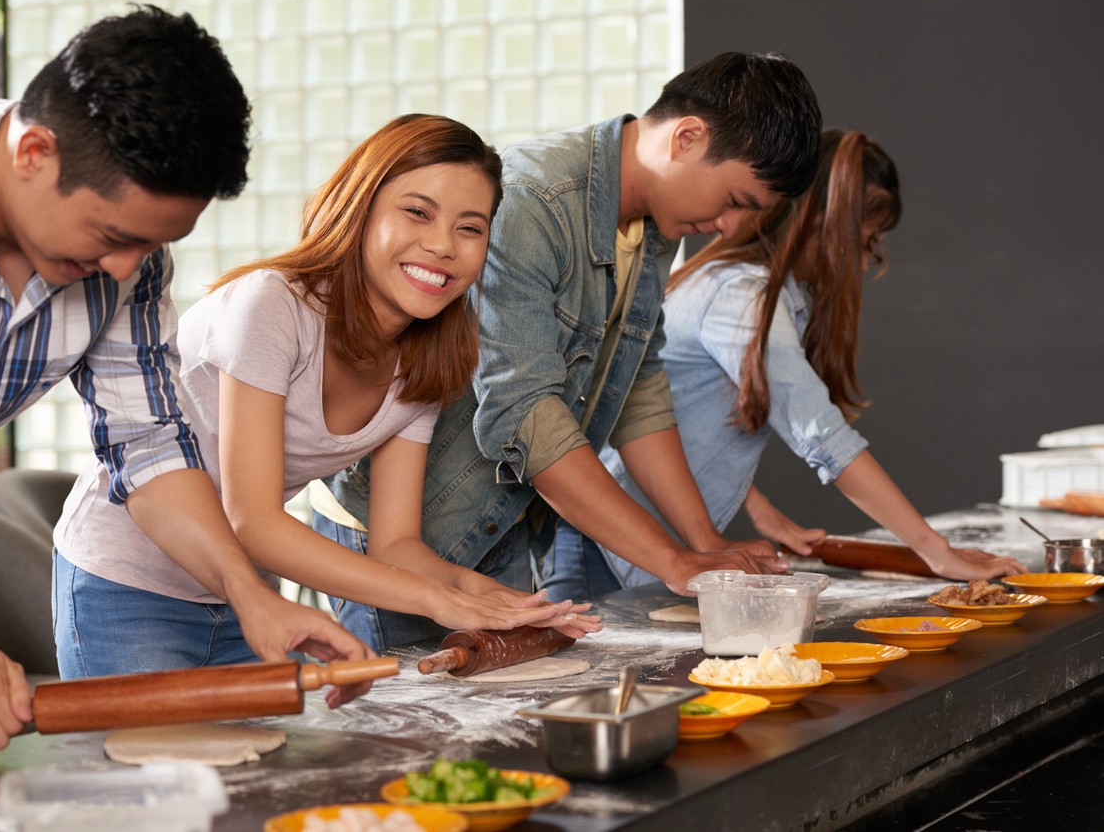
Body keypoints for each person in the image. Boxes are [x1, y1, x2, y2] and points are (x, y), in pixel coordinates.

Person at [0, 6, 370, 775]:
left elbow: (150, 446)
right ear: (35, 151)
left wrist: (248, 592)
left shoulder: (125, 262)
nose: (130, 271)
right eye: (113, 238)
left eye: (154, 245)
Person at [52, 113, 598, 675]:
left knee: (253, 765)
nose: (442, 245)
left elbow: (396, 545)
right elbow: (255, 522)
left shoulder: (428, 355)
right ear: (359, 209)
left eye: (470, 227)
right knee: (149, 766)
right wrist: (438, 601)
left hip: (249, 597)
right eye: (417, 212)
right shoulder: (271, 306)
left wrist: (499, 602)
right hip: (126, 586)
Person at [318, 51, 824, 642]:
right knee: (415, 726)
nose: (728, 227)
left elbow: (637, 388)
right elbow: (524, 413)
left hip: (498, 524)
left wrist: (703, 542)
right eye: (736, 200)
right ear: (687, 138)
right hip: (401, 534)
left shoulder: (653, 228)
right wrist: (674, 560)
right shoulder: (534, 200)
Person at [552, 129, 1027, 591]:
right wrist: (937, 552)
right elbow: (823, 437)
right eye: (865, 242)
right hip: (604, 549)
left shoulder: (765, 291)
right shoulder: (741, 295)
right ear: (823, 224)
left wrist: (757, 507)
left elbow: (682, 420)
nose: (863, 264)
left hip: (635, 544)